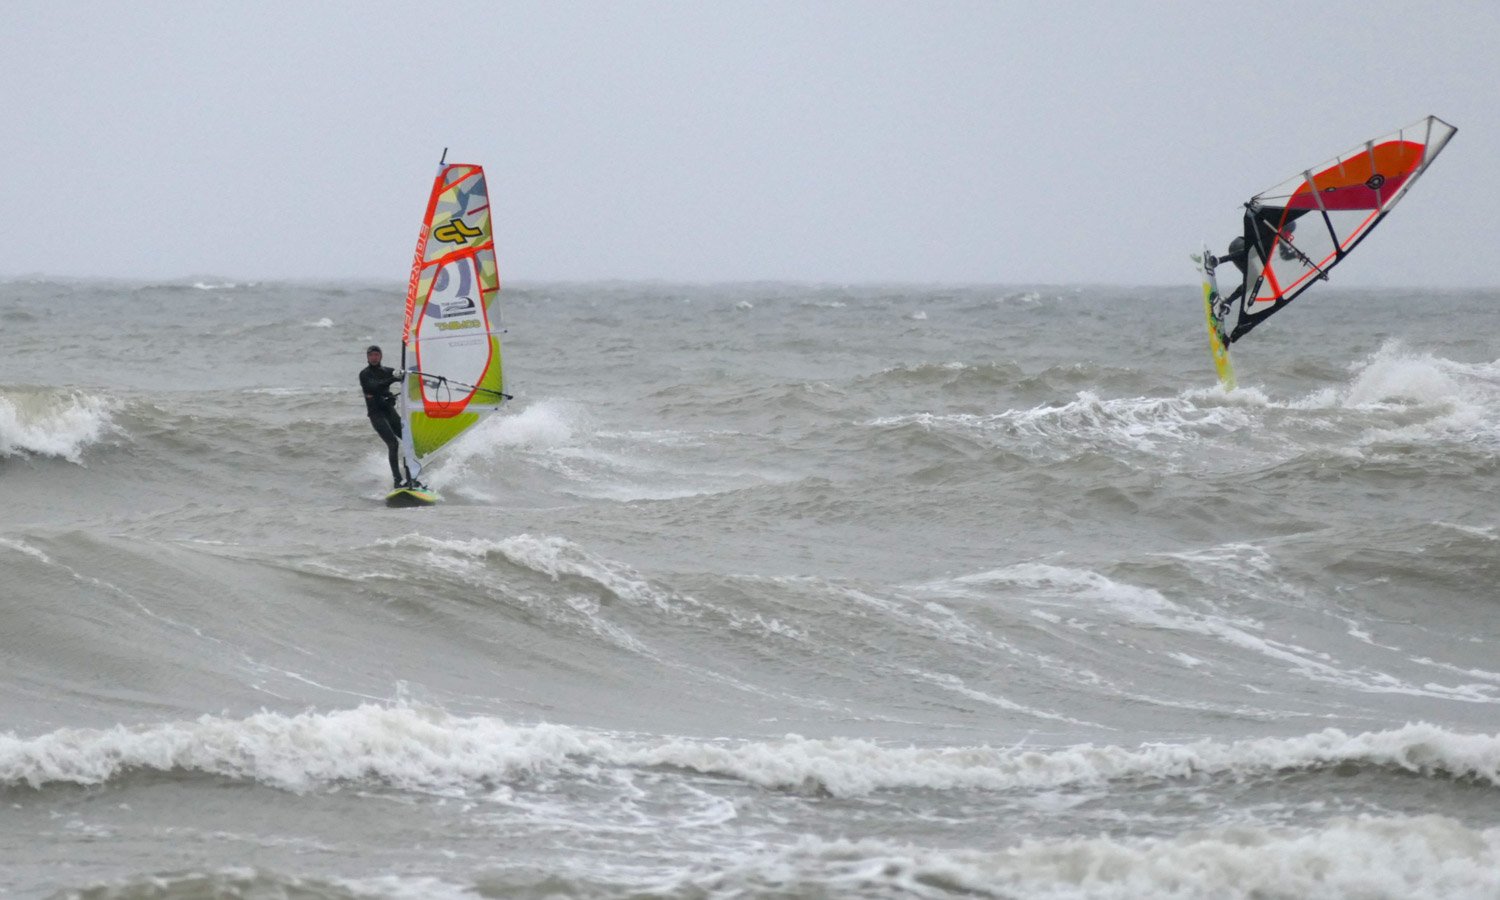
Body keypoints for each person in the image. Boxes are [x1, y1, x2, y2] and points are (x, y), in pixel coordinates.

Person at [360, 345, 409, 488]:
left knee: (408, 441)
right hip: (376, 414)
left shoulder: (387, 371)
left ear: (380, 356)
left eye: (376, 355)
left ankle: (412, 475)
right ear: (368, 358)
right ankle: (397, 480)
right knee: (393, 444)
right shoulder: (365, 374)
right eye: (371, 356)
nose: (374, 358)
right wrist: (393, 378)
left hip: (389, 411)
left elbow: (404, 379)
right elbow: (373, 388)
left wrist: (405, 374)